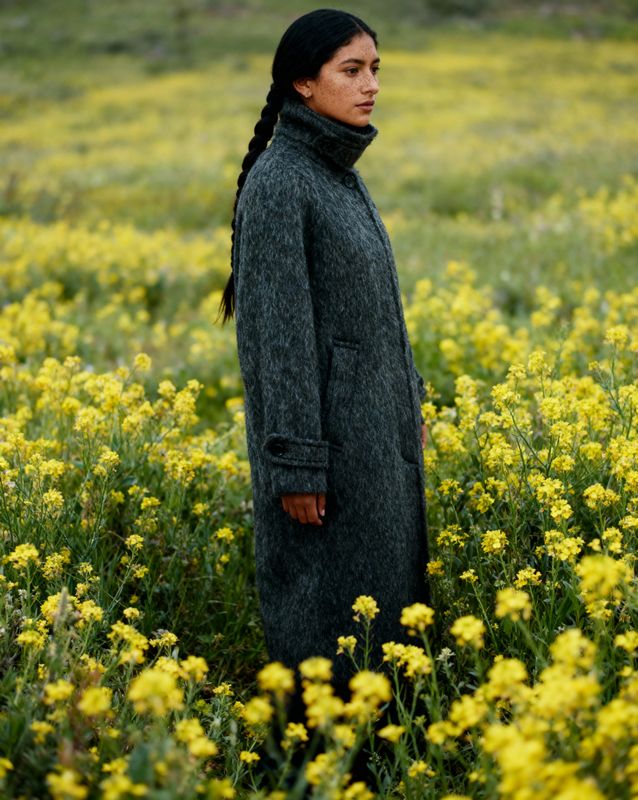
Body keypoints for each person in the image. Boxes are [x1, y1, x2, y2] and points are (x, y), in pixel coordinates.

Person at [217, 8, 431, 710]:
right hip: (328, 461)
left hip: (371, 443)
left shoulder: (336, 171)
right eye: (351, 70)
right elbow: (275, 341)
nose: (370, 86)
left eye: (375, 70)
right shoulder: (283, 183)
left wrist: (410, 401)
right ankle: (325, 768)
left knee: (378, 623)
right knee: (327, 630)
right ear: (303, 83)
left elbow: (367, 316)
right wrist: (296, 465)